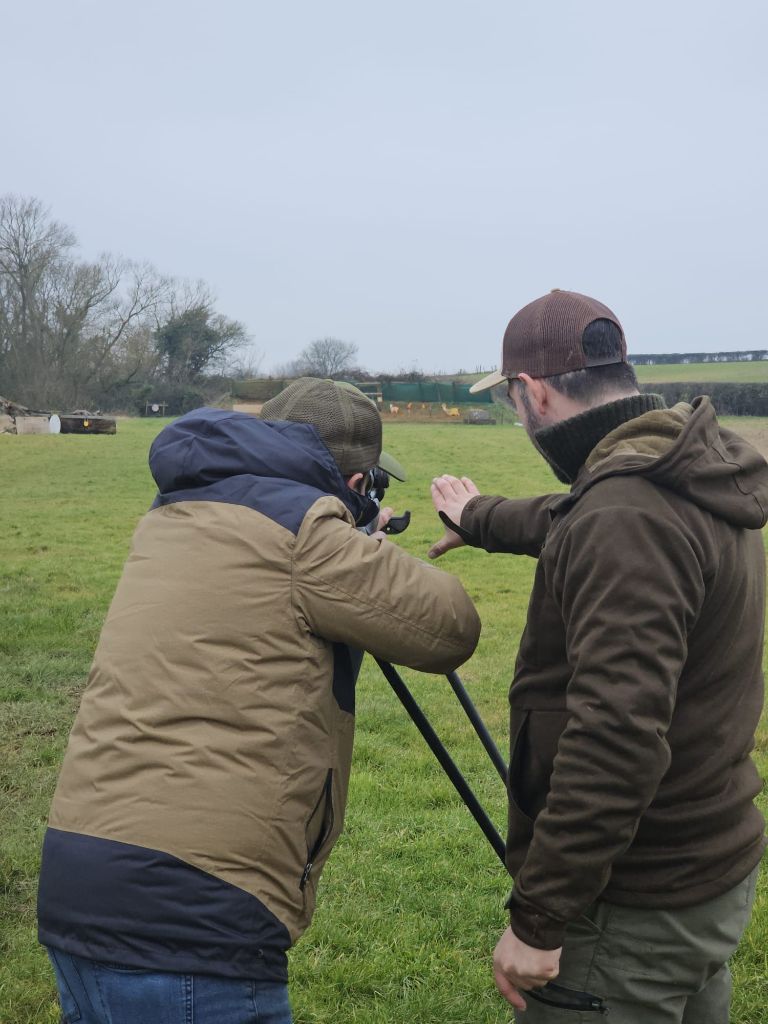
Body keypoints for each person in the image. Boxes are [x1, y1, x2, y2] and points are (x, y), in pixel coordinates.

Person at [38, 377, 480, 1024]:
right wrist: (358, 539)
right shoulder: (305, 532)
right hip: (192, 919)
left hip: (82, 881)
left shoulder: (174, 512)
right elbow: (450, 629)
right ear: (357, 486)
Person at [428, 290, 767, 1023]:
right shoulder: (678, 467)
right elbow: (576, 516)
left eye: (514, 401)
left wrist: (539, 917)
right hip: (704, 876)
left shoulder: (625, 515)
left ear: (533, 391)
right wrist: (479, 517)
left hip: (630, 907)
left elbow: (615, 736)